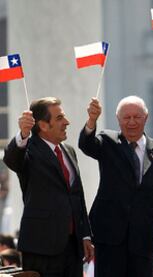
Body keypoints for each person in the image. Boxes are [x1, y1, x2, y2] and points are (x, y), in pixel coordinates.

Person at [78, 95, 153, 277]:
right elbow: (86, 145)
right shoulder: (108, 142)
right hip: (109, 238)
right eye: (126, 117)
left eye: (137, 117)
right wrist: (92, 121)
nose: (131, 122)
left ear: (146, 118)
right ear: (118, 119)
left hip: (144, 240)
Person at [2, 97, 94, 276]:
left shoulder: (69, 151)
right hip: (41, 248)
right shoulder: (29, 150)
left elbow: (77, 196)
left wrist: (85, 235)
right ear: (43, 125)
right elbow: (12, 159)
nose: (67, 122)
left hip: (73, 248)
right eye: (59, 118)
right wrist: (23, 134)